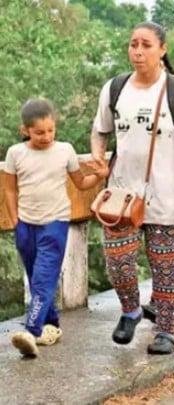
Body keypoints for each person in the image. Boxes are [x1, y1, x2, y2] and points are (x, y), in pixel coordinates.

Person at [90, 21, 174, 355]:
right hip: (121, 196)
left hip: (167, 194)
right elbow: (100, 130)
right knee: (118, 262)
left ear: (162, 49)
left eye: (146, 45)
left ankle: (165, 331)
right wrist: (98, 156)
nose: (138, 51)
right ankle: (131, 310)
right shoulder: (115, 88)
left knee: (164, 265)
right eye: (133, 44)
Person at [4, 99, 108, 358]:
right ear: (25, 130)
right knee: (35, 277)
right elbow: (9, 189)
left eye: (51, 130)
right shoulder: (15, 153)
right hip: (26, 224)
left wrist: (100, 175)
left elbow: (81, 183)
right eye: (39, 132)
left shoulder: (65, 150)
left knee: (43, 277)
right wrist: (16, 221)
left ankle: (31, 331)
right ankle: (51, 325)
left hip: (55, 223)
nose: (47, 136)